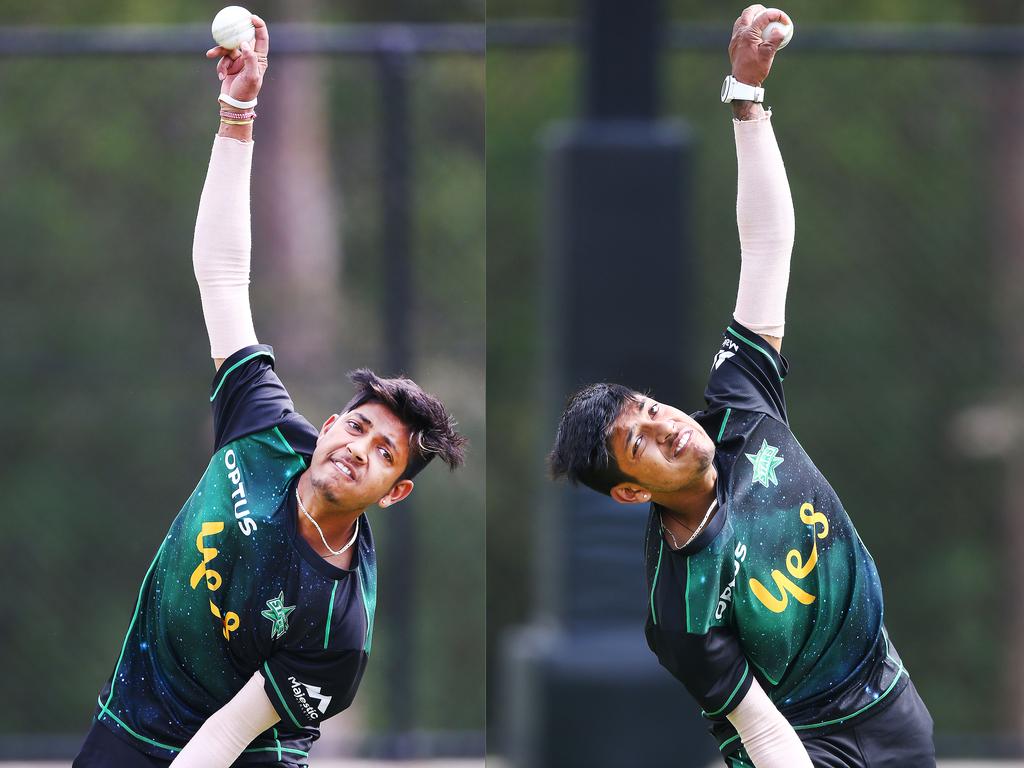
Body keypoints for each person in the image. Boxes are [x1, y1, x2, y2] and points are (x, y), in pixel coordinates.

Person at [73, 16, 466, 767]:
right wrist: (238, 113)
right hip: (132, 718)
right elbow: (222, 276)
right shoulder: (262, 429)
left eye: (385, 454)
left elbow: (223, 735)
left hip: (244, 753)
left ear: (394, 493)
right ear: (327, 425)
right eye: (358, 429)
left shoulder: (338, 627)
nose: (360, 450)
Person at [548, 6, 934, 767]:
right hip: (798, 747)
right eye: (641, 443)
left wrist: (746, 101)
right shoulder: (678, 608)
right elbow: (759, 731)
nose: (666, 427)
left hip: (893, 708)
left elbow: (766, 248)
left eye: (652, 410)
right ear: (631, 492)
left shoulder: (739, 409)